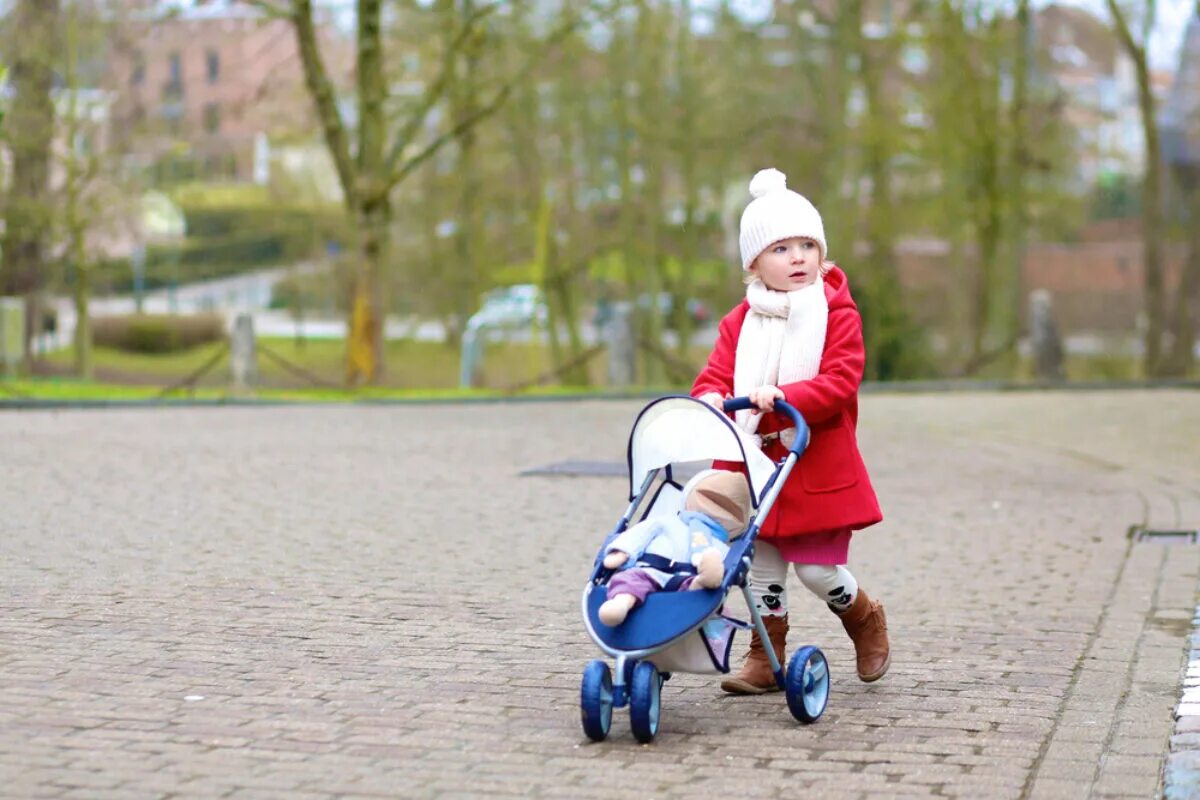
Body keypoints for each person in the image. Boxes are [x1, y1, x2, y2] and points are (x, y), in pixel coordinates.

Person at [691, 167, 889, 693]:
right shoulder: (740, 323)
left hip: (814, 459)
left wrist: (786, 397)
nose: (798, 257)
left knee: (818, 574)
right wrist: (708, 397)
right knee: (762, 571)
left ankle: (864, 617)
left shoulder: (836, 314)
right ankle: (766, 653)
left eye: (807, 244)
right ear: (754, 263)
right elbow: (716, 372)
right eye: (781, 249)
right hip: (757, 464)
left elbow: (840, 382)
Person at [598, 470, 752, 626]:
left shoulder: (720, 546)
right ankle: (621, 604)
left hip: (683, 576)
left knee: (702, 587)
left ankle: (700, 584)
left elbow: (726, 573)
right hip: (650, 570)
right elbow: (639, 534)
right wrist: (624, 551)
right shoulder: (667, 522)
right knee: (632, 580)